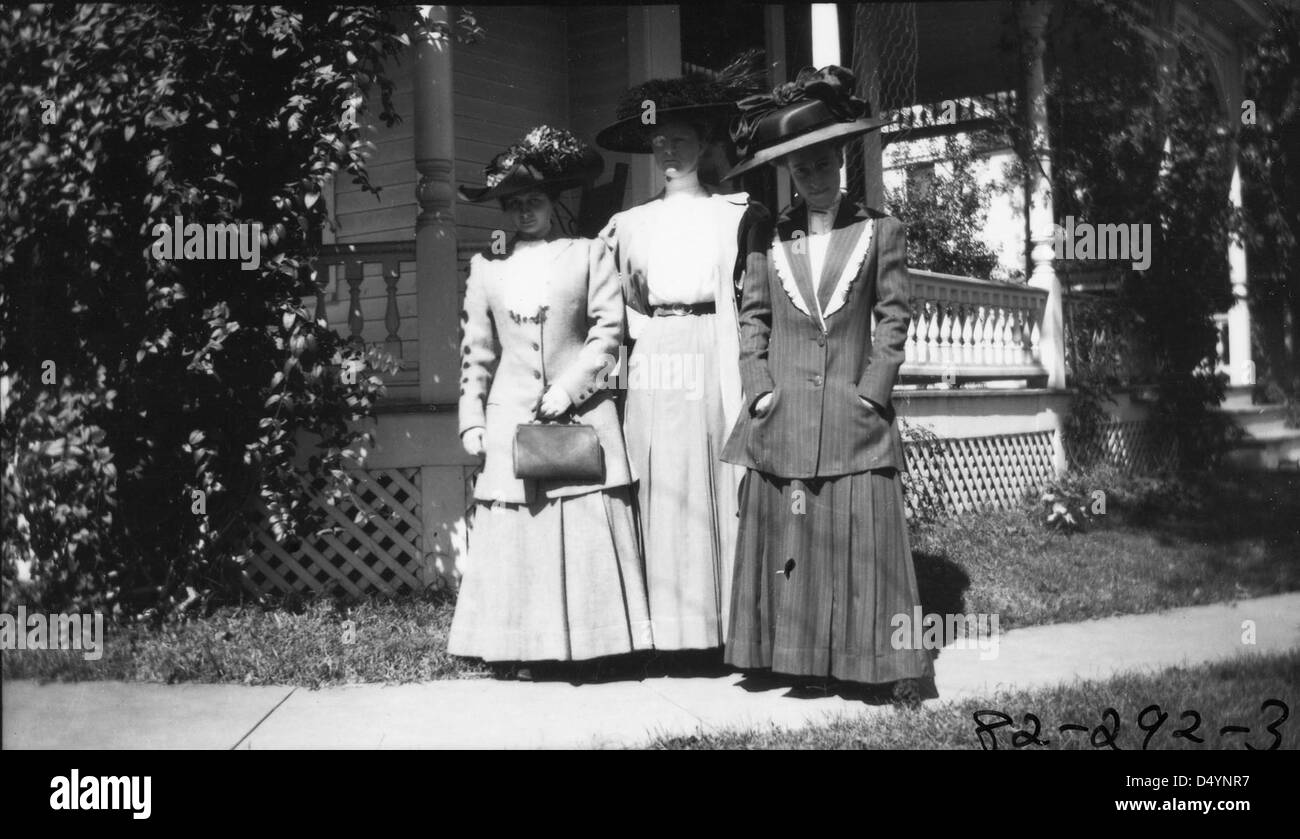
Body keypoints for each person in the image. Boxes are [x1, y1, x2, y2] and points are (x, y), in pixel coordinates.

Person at [720, 67, 935, 705]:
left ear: (841, 158)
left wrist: (873, 389)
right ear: (788, 172)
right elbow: (752, 317)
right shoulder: (766, 234)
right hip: (783, 408)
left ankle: (872, 665)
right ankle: (793, 657)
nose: (813, 175)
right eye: (801, 167)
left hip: (851, 407)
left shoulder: (879, 229)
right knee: (795, 536)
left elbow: (894, 317)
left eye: (823, 161)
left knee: (858, 535)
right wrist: (758, 385)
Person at [448, 127, 652, 676]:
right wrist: (472, 418)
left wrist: (568, 388)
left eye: (533, 201)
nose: (523, 213)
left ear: (553, 201)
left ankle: (596, 644)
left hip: (581, 415)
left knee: (582, 522)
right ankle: (517, 646)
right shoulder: (487, 270)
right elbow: (477, 353)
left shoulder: (588, 255)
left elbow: (609, 334)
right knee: (521, 529)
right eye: (514, 205)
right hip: (511, 418)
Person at [596, 64, 768, 652]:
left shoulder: (736, 215)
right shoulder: (628, 225)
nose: (669, 151)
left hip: (712, 346)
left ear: (707, 143)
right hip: (654, 357)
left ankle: (720, 628)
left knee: (712, 478)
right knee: (658, 476)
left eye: (682, 140)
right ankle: (661, 633)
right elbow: (610, 307)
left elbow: (754, 301)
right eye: (660, 141)